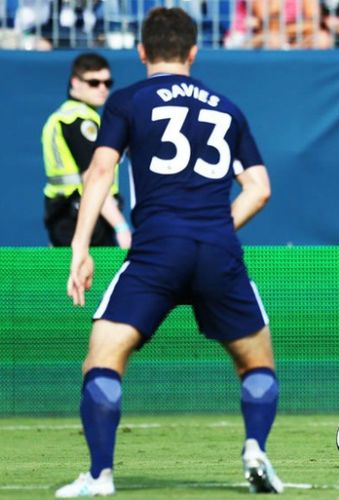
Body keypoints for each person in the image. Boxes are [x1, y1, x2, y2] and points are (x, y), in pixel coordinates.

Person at [56, 7, 282, 497]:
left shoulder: (127, 101)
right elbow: (259, 188)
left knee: (102, 360)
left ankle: (99, 476)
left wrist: (80, 245)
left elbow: (99, 173)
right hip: (218, 247)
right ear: (193, 52)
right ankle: (256, 450)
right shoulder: (227, 107)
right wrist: (219, 225)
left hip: (157, 247)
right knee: (257, 364)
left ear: (142, 51)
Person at [42, 52, 131, 248]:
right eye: (94, 82)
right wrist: (121, 227)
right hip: (84, 219)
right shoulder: (80, 121)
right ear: (75, 82)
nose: (102, 89)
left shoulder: (64, 116)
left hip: (67, 216)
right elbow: (94, 177)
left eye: (107, 83)